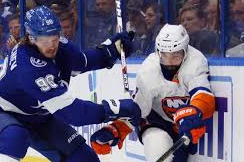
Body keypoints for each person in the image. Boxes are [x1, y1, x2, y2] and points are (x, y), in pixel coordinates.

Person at [0, 5, 140, 162]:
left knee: (83, 158)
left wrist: (113, 49)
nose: (52, 45)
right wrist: (116, 108)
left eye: (54, 38)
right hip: (0, 109)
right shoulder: (28, 67)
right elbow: (73, 113)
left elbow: (84, 61)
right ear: (32, 38)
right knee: (14, 137)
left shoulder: (61, 47)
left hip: (38, 115)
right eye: (45, 40)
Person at [90, 24, 215, 162]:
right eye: (164, 55)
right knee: (157, 145)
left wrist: (195, 112)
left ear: (185, 50)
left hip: (185, 123)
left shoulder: (195, 61)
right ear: (158, 51)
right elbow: (138, 110)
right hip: (157, 121)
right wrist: (115, 129)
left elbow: (203, 94)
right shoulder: (149, 70)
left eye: (176, 55)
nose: (169, 61)